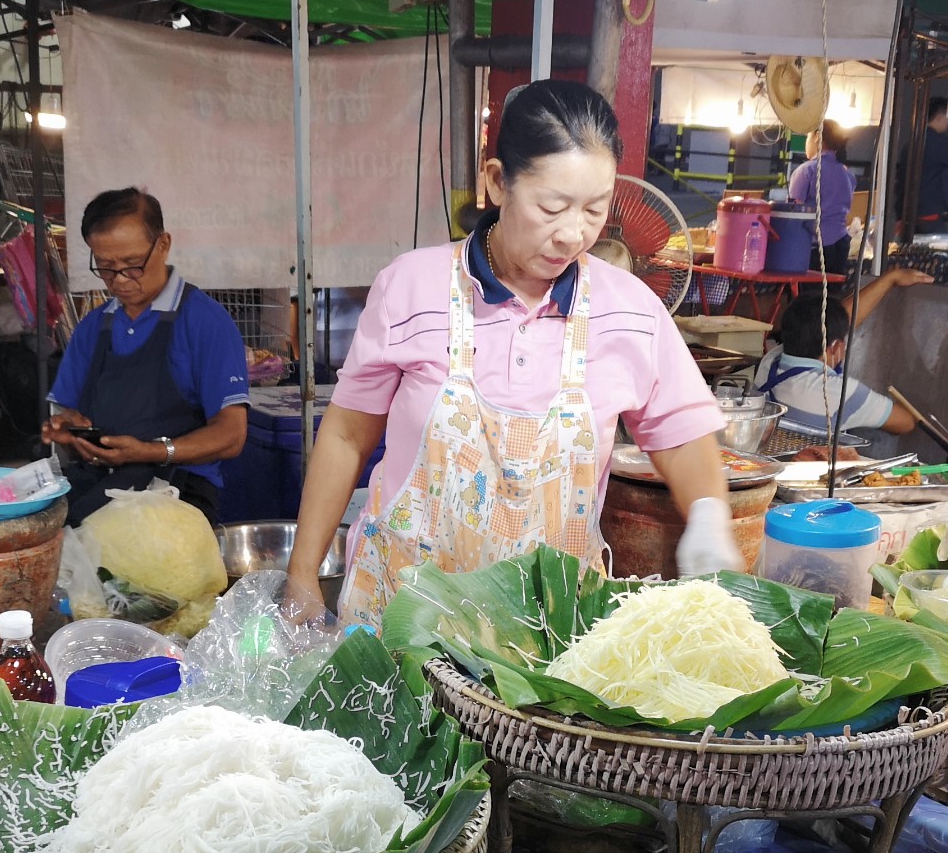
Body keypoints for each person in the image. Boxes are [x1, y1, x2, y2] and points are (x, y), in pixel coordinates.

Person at [286, 81, 735, 628]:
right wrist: (303, 575)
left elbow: (682, 438)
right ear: (498, 183)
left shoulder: (630, 311)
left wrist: (709, 517)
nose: (573, 235)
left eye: (595, 210)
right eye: (552, 207)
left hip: (544, 642)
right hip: (400, 623)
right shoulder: (410, 287)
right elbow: (346, 435)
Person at [40, 188, 249, 527]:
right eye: (106, 268)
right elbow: (73, 413)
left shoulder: (205, 322)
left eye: (132, 265)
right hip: (102, 483)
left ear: (163, 244)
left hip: (178, 491)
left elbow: (232, 434)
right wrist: (70, 429)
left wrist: (151, 451)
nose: (120, 280)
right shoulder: (93, 328)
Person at [750, 269, 931, 452]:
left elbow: (839, 320)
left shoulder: (771, 360)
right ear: (836, 347)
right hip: (811, 471)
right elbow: (905, 422)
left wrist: (889, 279)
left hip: (767, 456)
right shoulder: (840, 392)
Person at [786, 118, 856, 280]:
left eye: (807, 137)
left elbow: (794, 215)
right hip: (840, 246)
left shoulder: (806, 171)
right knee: (829, 299)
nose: (806, 143)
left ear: (817, 136)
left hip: (814, 249)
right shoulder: (847, 174)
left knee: (809, 301)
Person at [915, 97, 948, 232]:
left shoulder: (913, 141)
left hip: (910, 214)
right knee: (936, 251)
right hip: (931, 213)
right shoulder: (939, 143)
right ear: (940, 116)